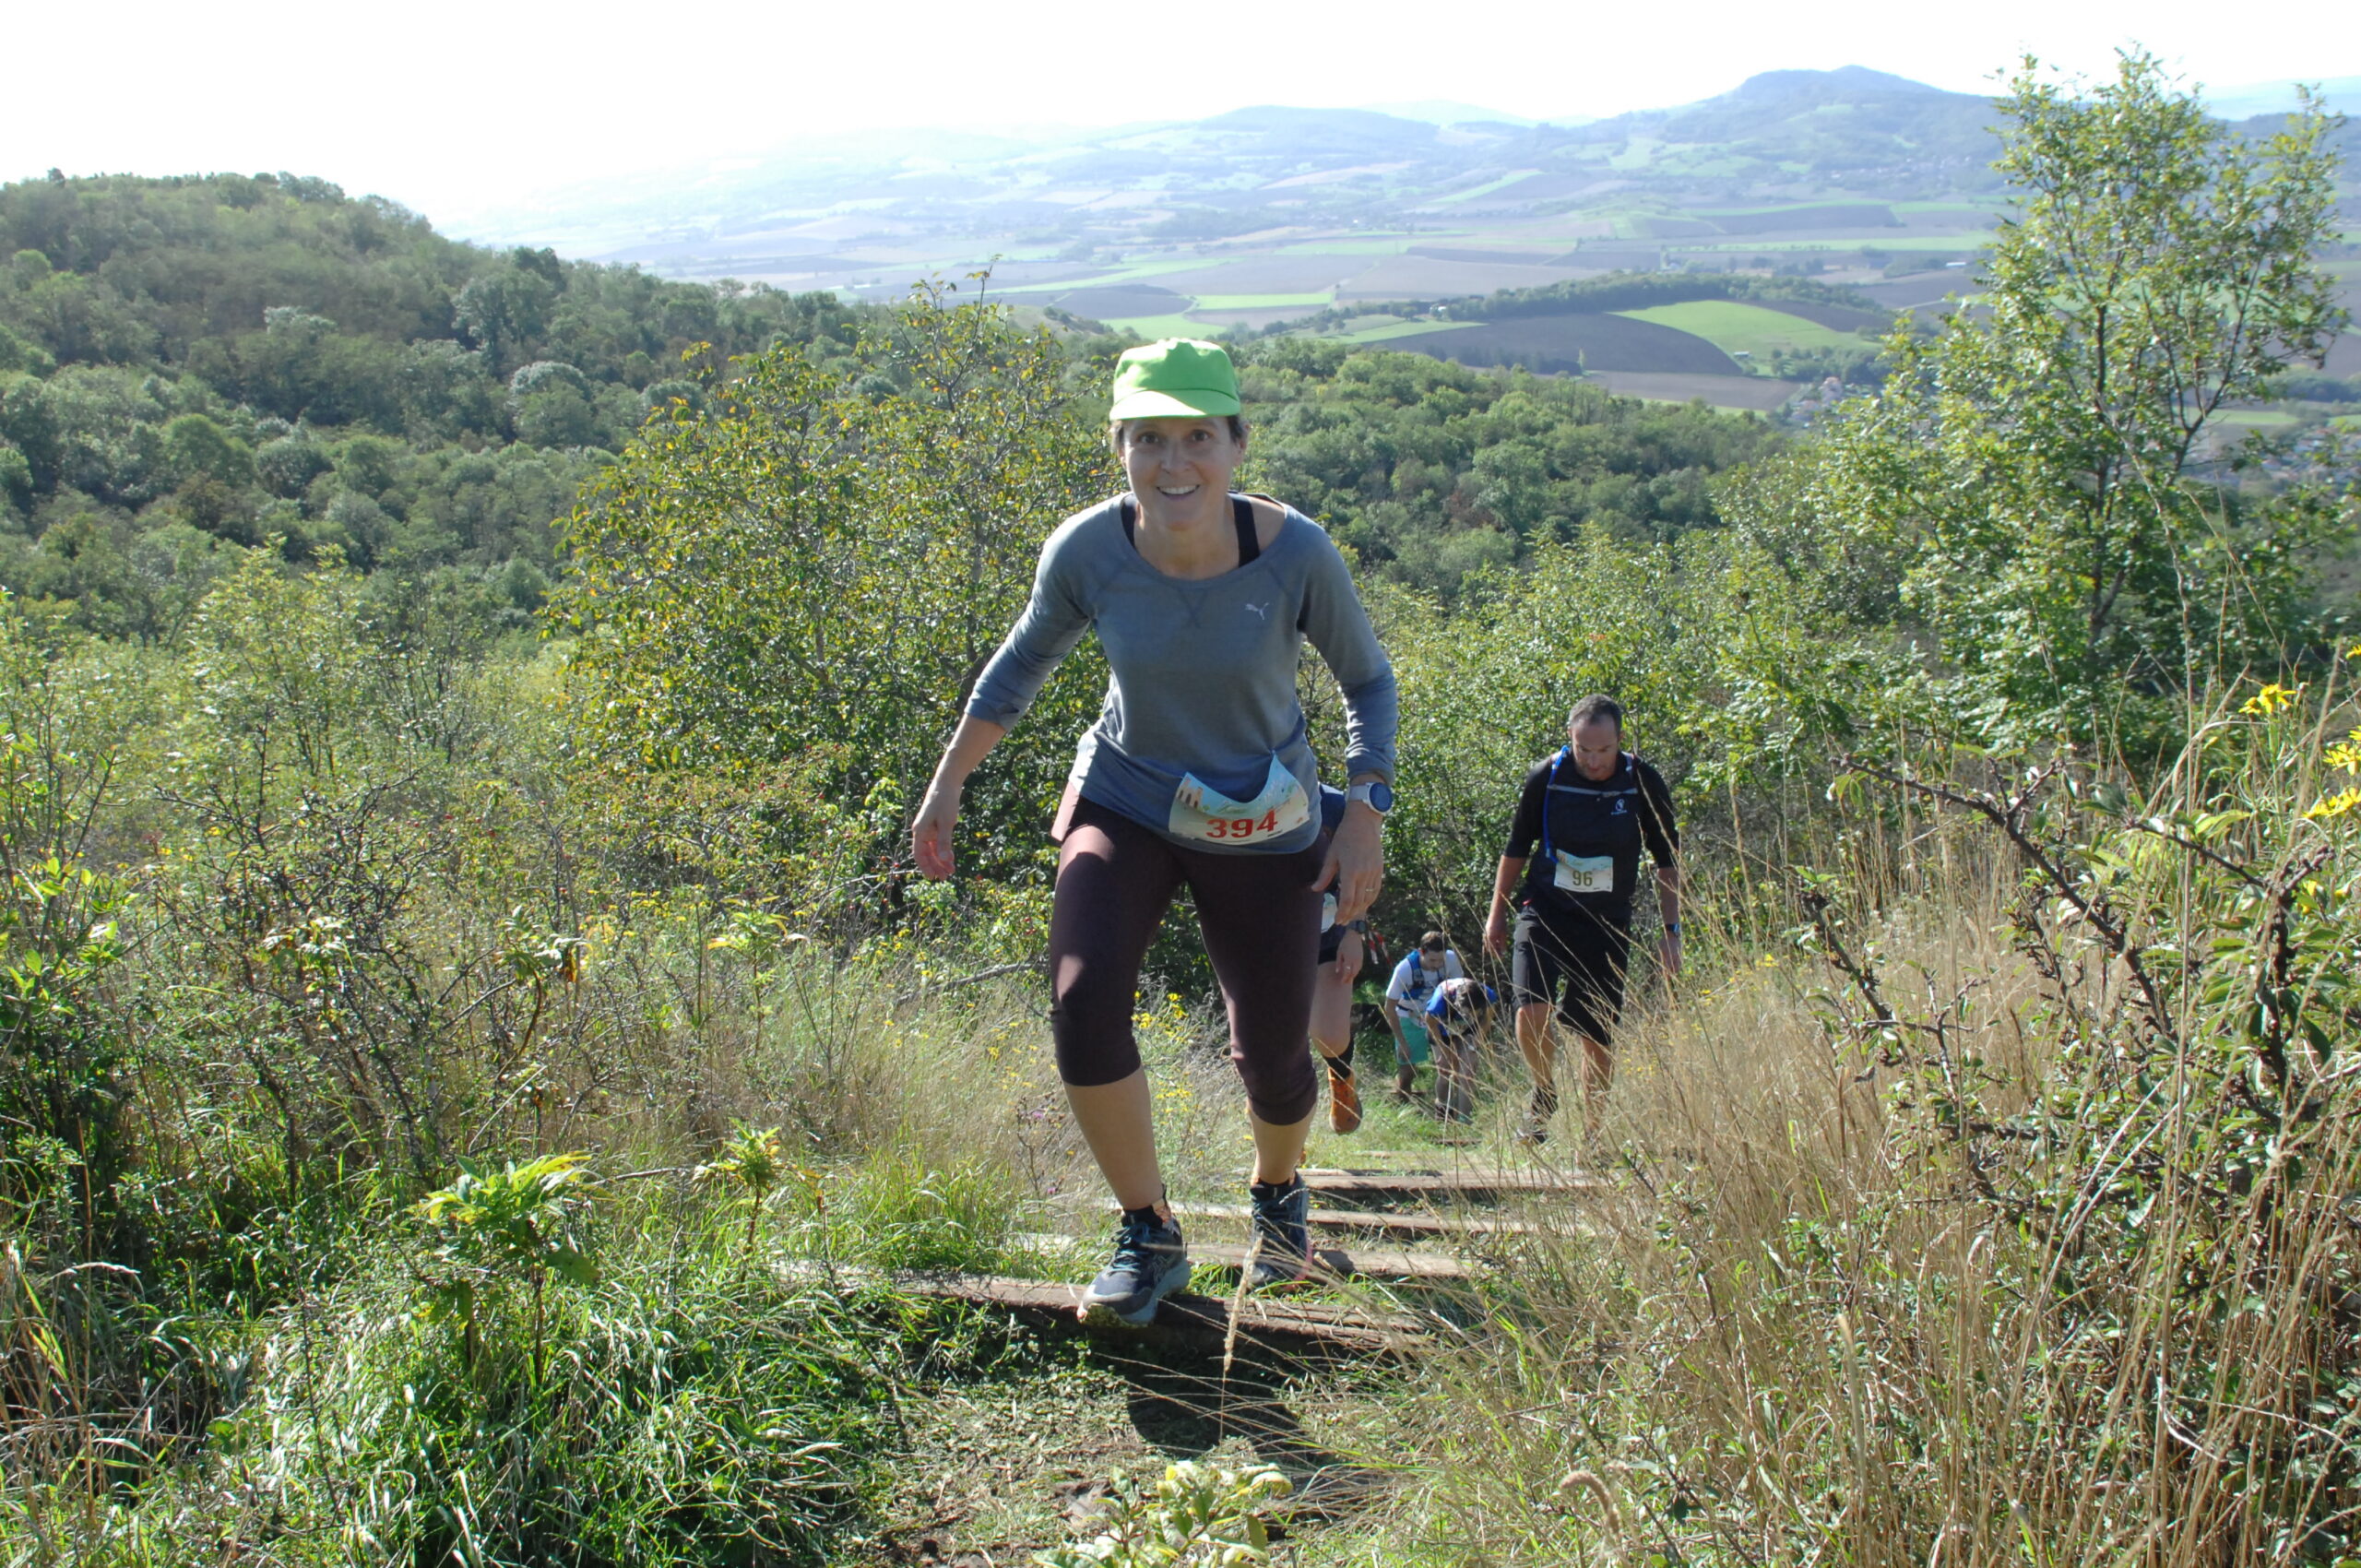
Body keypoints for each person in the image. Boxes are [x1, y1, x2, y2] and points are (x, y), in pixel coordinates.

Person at [911, 339, 1397, 1324]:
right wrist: (946, 784)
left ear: (1237, 445)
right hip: (1127, 798)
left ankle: (1278, 1194)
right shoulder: (1088, 551)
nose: (1174, 463)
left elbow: (1368, 681)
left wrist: (1363, 816)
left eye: (1197, 438)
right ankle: (1149, 1230)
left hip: (1266, 820)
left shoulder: (1296, 553)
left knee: (1273, 1056)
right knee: (1081, 995)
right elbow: (1018, 668)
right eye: (1149, 440)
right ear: (1118, 448)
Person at [1483, 694, 1680, 1145]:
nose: (1593, 760)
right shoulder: (1547, 777)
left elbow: (1667, 860)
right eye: (1583, 749)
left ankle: (1594, 1135)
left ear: (1620, 741)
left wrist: (1671, 932)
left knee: (1597, 1033)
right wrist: (1497, 915)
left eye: (1604, 750)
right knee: (1530, 1010)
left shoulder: (1642, 781)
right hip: (1545, 908)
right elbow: (1516, 848)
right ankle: (1544, 1091)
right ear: (1569, 739)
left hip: (1607, 921)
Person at [1383, 932, 1464, 1102]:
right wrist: (1402, 1042)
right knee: (1407, 1069)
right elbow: (1389, 1008)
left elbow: (1460, 989)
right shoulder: (1404, 970)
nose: (1437, 965)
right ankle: (1404, 1097)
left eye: (1441, 960)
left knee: (1449, 1064)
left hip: (1438, 1016)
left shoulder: (1451, 959)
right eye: (1432, 960)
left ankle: (1447, 1104)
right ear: (1421, 952)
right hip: (1409, 1016)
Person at [1423, 977, 1496, 1124]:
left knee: (1467, 1074)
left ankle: (1465, 1119)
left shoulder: (1487, 994)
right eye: (1469, 1013)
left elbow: (1488, 1018)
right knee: (1445, 1071)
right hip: (1441, 1031)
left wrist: (1475, 1044)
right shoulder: (1441, 1000)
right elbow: (1430, 1023)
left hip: (1468, 1031)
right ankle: (1442, 1109)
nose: (1473, 1016)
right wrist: (1445, 1053)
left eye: (1476, 1012)